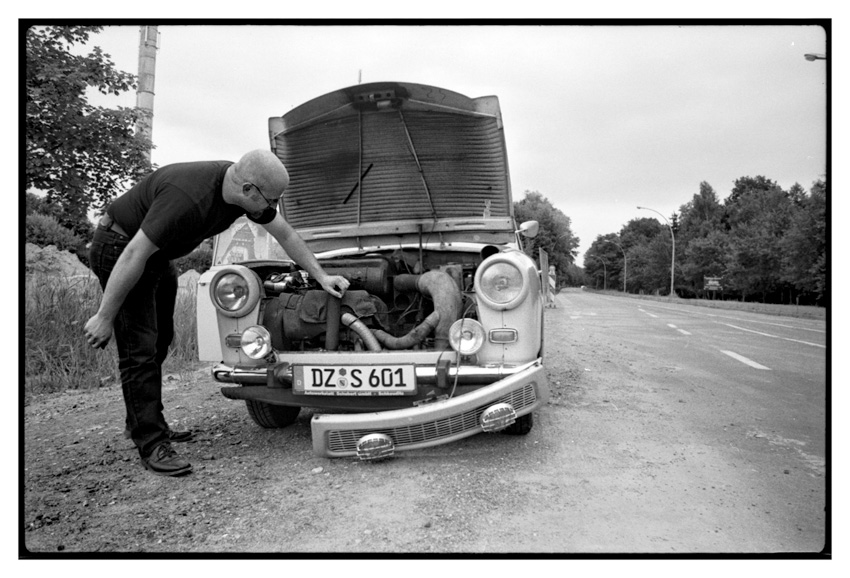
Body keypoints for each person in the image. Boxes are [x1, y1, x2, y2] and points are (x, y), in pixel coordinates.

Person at [84, 150, 349, 477]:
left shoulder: (244, 196)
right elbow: (134, 254)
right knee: (139, 349)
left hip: (157, 258)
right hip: (119, 249)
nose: (273, 209)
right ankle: (151, 442)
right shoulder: (187, 199)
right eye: (272, 200)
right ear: (249, 189)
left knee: (161, 339)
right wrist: (104, 316)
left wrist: (321, 277)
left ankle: (139, 420)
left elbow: (287, 234)